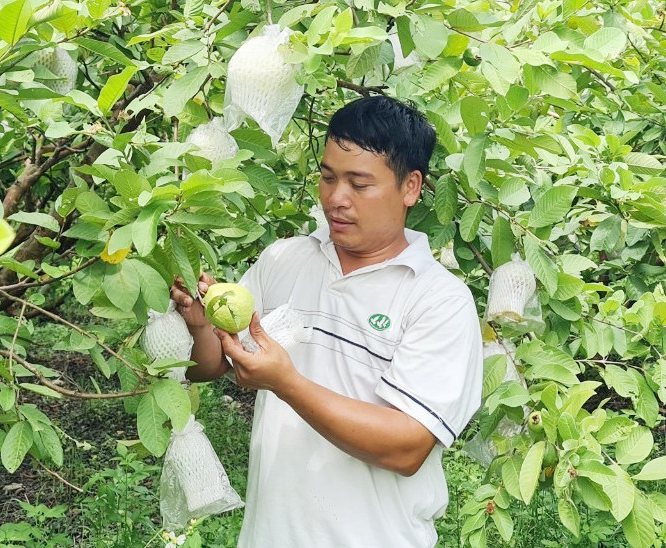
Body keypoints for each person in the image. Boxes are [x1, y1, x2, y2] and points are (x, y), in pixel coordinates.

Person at [170, 95, 483, 548]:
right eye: (327, 177)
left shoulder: (438, 300)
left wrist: (286, 383)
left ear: (410, 187)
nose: (336, 199)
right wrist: (200, 325)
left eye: (359, 184)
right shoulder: (286, 259)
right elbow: (208, 365)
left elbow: (407, 446)